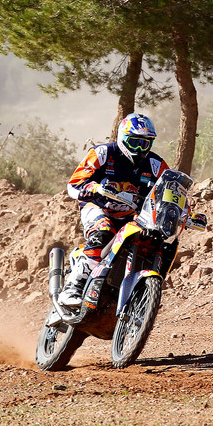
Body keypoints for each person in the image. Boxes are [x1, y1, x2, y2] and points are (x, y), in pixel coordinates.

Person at [57, 113, 169, 306]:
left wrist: (184, 210)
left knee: (154, 241)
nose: (139, 149)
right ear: (123, 137)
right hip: (97, 206)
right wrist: (95, 188)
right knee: (103, 232)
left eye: (145, 144)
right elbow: (73, 184)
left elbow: (171, 190)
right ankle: (72, 288)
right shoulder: (103, 153)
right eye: (134, 142)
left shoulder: (155, 164)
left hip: (132, 215)